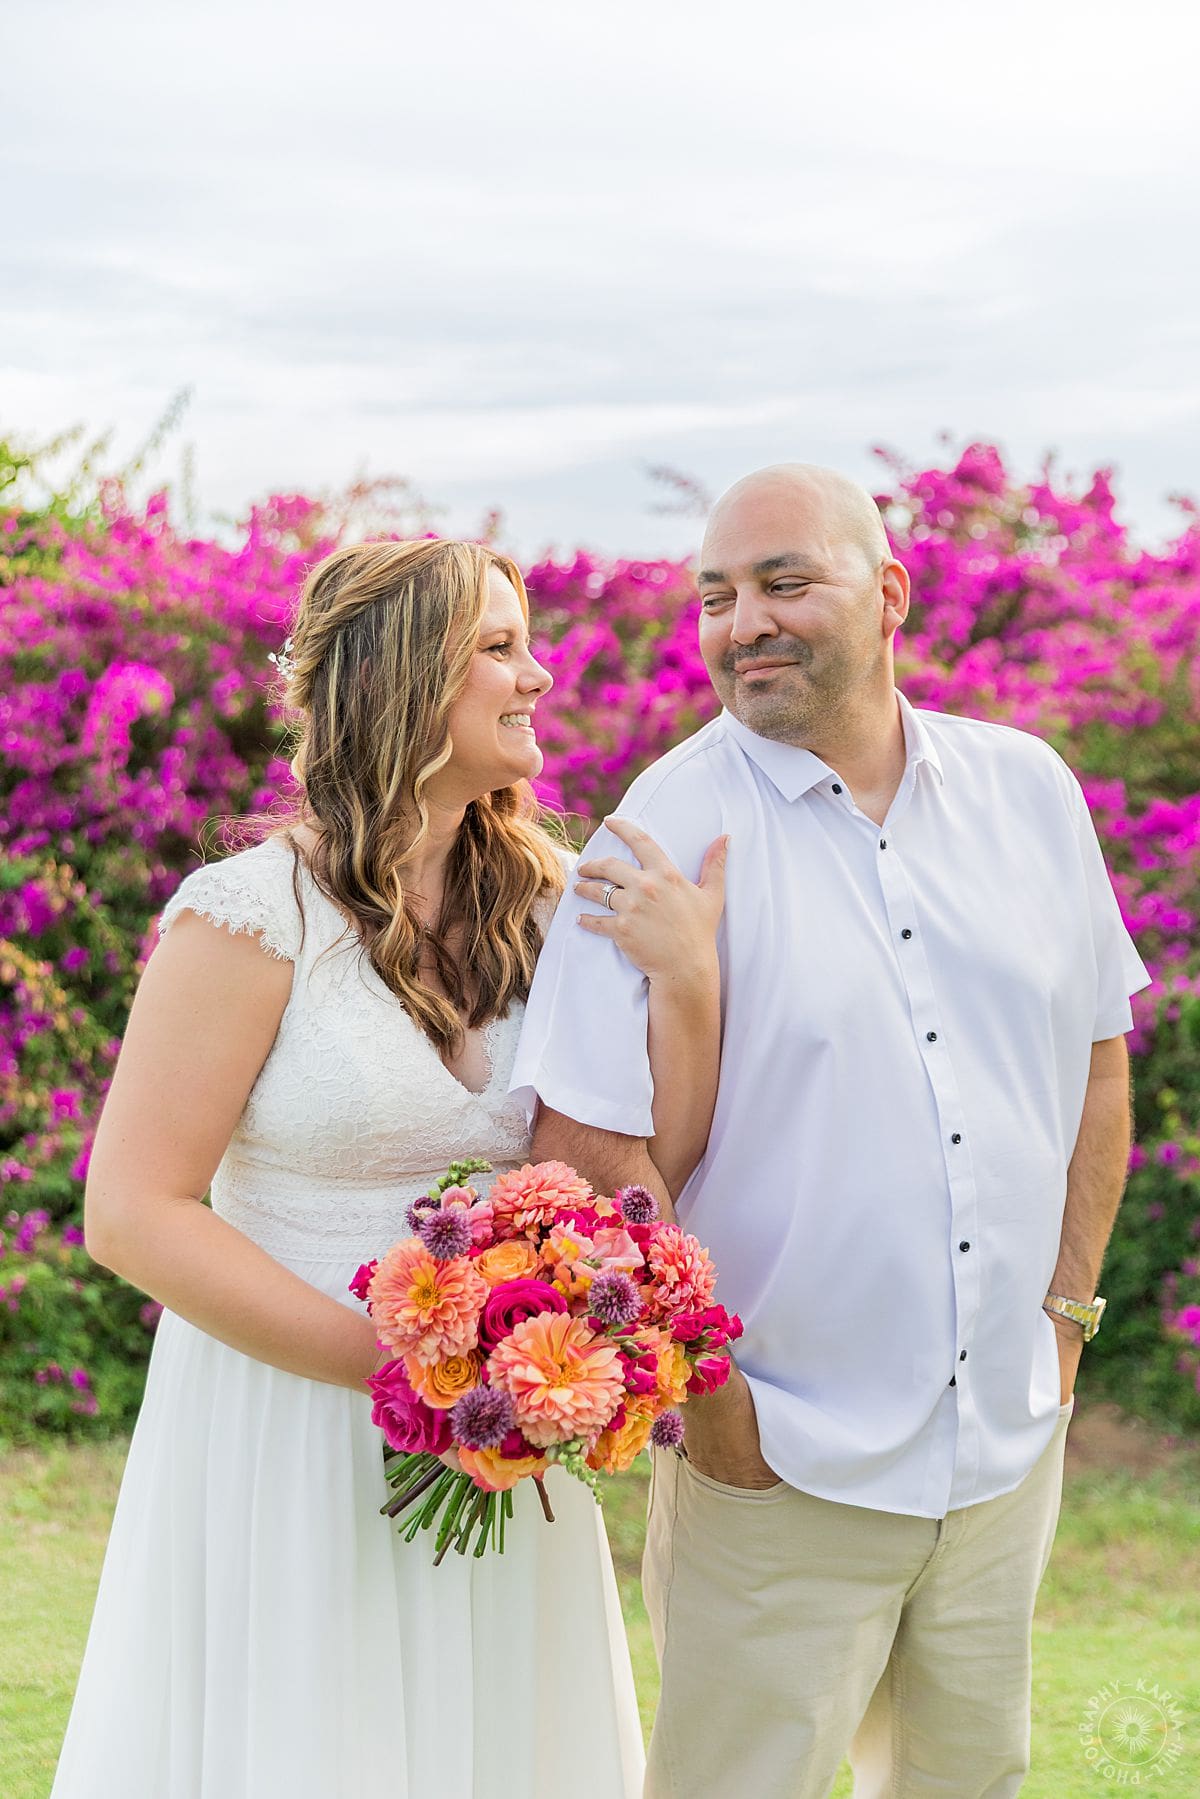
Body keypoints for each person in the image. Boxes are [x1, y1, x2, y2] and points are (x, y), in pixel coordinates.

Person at [511, 464, 1150, 1799]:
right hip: (780, 1470)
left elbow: (1096, 1064)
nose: (746, 620)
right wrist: (725, 1412)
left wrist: (1067, 1315)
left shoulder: (1028, 790)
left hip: (1000, 1452)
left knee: (971, 1778)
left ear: (891, 593)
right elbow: (582, 1160)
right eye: (718, 595)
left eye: (785, 580)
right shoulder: (657, 833)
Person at [52, 537, 726, 1799]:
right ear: (404, 678)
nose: (538, 674)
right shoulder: (250, 916)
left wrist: (688, 987)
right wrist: (406, 1369)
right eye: (498, 646)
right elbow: (132, 1211)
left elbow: (630, 1179)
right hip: (288, 1423)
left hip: (500, 1432)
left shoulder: (563, 907)